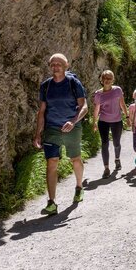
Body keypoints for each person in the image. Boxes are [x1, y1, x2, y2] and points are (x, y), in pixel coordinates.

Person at [33, 53, 88, 215]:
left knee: (75, 159)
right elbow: (42, 111)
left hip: (72, 127)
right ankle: (51, 202)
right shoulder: (46, 86)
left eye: (59, 64)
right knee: (52, 161)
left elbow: (84, 107)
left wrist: (73, 121)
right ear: (50, 66)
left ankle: (79, 186)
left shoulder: (73, 83)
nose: (55, 67)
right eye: (53, 64)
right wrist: (37, 134)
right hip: (52, 129)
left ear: (66, 66)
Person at [92, 70, 129, 179]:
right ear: (101, 80)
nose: (107, 80)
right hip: (103, 121)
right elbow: (96, 109)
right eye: (105, 78)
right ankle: (106, 168)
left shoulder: (117, 90)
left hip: (117, 120)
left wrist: (127, 117)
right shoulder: (98, 94)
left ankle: (117, 159)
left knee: (116, 143)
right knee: (104, 144)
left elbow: (122, 104)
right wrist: (94, 122)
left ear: (113, 80)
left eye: (109, 78)